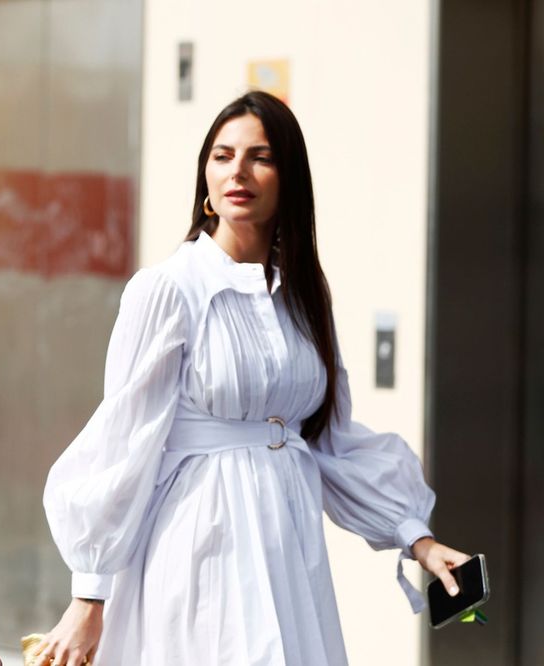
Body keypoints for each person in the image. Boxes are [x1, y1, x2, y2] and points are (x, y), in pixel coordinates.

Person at [34, 91, 467, 665]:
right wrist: (89, 595)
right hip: (198, 540)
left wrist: (419, 538)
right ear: (204, 176)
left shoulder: (305, 295)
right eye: (221, 155)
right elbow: (125, 441)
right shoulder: (169, 289)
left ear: (289, 176)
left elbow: (329, 443)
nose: (237, 171)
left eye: (260, 157)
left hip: (288, 548)